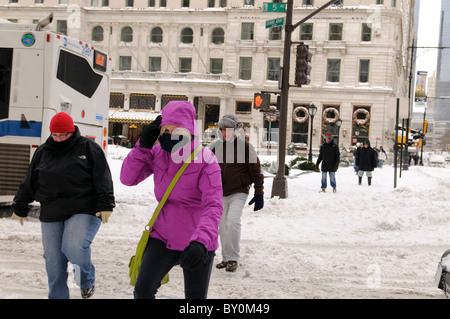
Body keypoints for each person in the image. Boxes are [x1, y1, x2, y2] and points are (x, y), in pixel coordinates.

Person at [120, 101, 223, 299]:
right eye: (165, 129)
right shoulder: (158, 153)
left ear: (189, 129)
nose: (170, 134)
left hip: (197, 239)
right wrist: (142, 147)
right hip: (163, 236)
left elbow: (213, 206)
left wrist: (201, 242)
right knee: (143, 291)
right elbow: (127, 179)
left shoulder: (206, 159)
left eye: (176, 129)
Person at [11, 112, 115, 299]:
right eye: (55, 135)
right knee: (53, 260)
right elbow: (30, 181)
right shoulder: (43, 152)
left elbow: (103, 177)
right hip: (52, 210)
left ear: (71, 131)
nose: (58, 139)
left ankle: (86, 280)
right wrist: (20, 204)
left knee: (73, 246)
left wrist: (106, 203)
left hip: (84, 207)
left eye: (63, 135)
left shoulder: (88, 148)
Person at [209, 114, 264, 272]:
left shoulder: (245, 147)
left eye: (229, 130)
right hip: (219, 192)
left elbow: (256, 171)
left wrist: (259, 193)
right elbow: (204, 171)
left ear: (235, 130)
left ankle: (233, 258)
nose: (226, 133)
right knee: (222, 225)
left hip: (238, 191)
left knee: (233, 221)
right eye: (223, 130)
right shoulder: (214, 147)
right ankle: (226, 258)